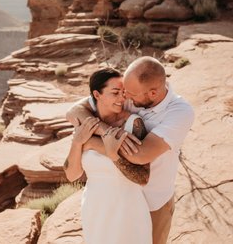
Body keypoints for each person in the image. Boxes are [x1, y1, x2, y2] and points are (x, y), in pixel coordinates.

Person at [66, 56, 195, 244]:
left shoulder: (180, 112)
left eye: (131, 94)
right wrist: (105, 131)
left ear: (152, 93)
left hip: (153, 200)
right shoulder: (128, 96)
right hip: (110, 201)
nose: (126, 99)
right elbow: (74, 111)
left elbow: (141, 155)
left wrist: (91, 143)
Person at [64, 67, 152, 244]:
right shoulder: (86, 124)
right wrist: (78, 142)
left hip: (128, 208)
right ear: (97, 95)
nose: (122, 98)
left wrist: (112, 155)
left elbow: (143, 178)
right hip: (95, 208)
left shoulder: (133, 124)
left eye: (123, 92)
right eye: (115, 93)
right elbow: (71, 174)